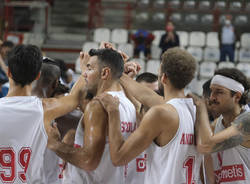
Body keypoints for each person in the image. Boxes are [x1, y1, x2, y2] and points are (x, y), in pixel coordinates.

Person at [97, 47, 203, 183]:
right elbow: (146, 95)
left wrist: (113, 112)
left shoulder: (160, 113)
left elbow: (118, 157)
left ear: (163, 77)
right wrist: (118, 70)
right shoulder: (193, 110)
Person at [47, 48, 146, 184]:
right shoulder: (129, 104)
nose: (84, 75)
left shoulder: (98, 105)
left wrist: (55, 144)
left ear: (105, 73)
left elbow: (89, 161)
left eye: (89, 69)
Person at [0, 44, 86, 183]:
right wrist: (85, 69)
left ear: (8, 72)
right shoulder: (45, 108)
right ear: (37, 75)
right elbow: (74, 97)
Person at [191, 68, 250, 183]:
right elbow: (205, 154)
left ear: (237, 97)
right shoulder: (216, 123)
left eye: (219, 92)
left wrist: (201, 109)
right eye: (211, 91)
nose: (212, 97)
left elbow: (207, 145)